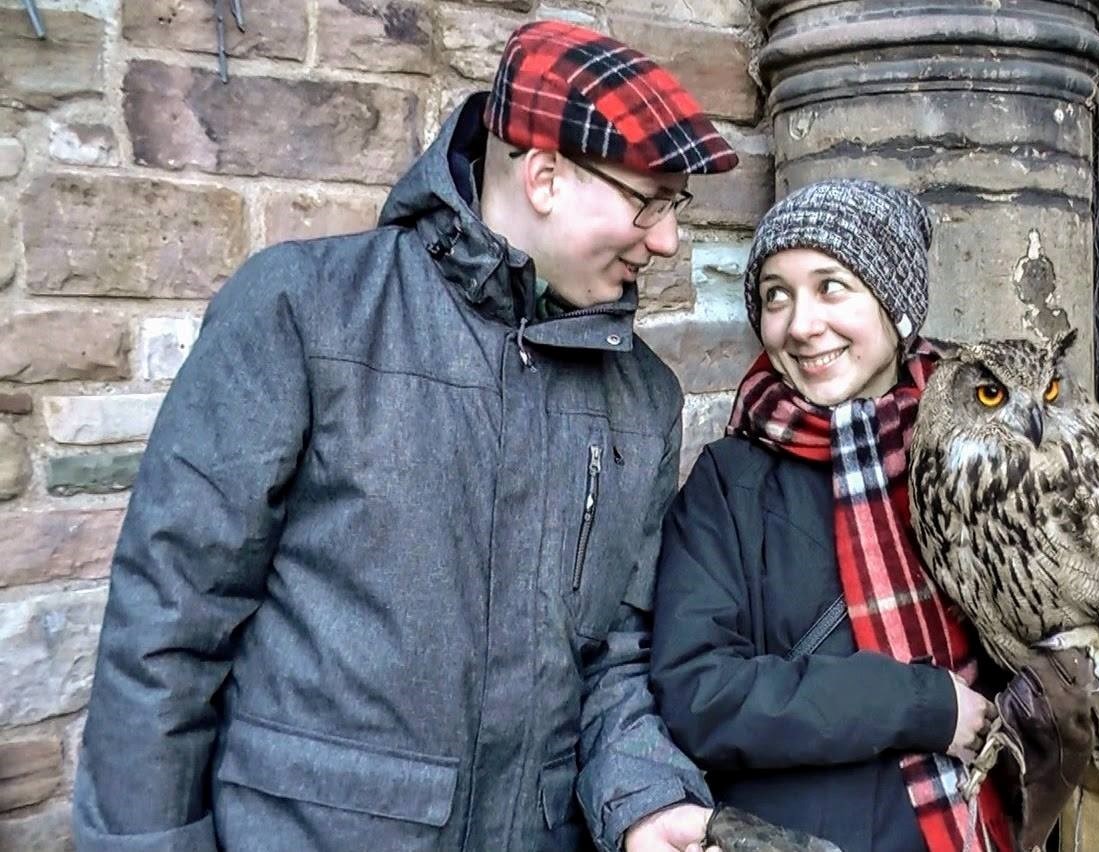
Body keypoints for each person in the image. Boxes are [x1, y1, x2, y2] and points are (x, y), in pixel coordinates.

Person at [73, 20, 737, 852]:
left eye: (676, 205)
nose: (670, 239)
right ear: (544, 176)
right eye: (647, 202)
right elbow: (168, 625)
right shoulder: (302, 309)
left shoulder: (644, 395)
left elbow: (613, 660)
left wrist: (646, 801)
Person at [649, 179, 1049, 852]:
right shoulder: (732, 481)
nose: (800, 325)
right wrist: (920, 705)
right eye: (776, 295)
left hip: (976, 826)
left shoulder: (984, 455)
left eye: (831, 286)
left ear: (896, 308)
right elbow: (700, 693)